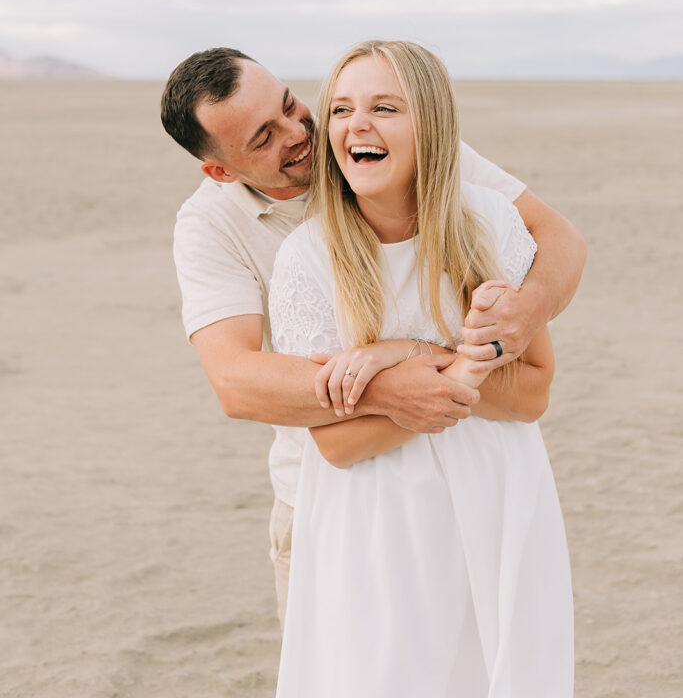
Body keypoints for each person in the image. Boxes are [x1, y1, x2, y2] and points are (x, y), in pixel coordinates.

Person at [160, 47, 585, 626]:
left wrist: (522, 311)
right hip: (329, 492)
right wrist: (390, 389)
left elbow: (556, 236)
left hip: (470, 478)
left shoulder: (391, 145)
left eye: (290, 104)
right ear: (221, 170)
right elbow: (235, 381)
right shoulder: (212, 227)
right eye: (264, 137)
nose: (298, 132)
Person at [269, 40, 573, 696]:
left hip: (496, 504)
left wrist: (407, 356)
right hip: (375, 527)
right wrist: (457, 370)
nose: (357, 125)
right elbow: (340, 441)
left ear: (430, 125)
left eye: (385, 107)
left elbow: (533, 392)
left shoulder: (486, 222)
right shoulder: (307, 258)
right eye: (342, 109)